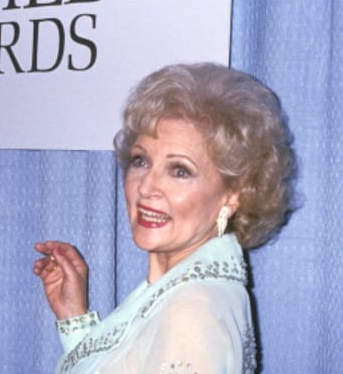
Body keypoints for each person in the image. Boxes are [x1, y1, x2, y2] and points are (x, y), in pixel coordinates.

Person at [34, 63, 296, 373]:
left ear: (233, 194)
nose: (146, 187)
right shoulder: (176, 291)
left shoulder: (190, 311)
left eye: (180, 170)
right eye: (141, 161)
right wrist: (73, 316)